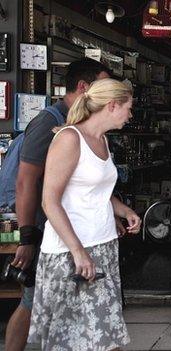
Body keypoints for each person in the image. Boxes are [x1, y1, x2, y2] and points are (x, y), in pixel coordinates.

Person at [27, 78, 141, 350]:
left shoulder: (101, 140)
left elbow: (96, 190)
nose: (131, 114)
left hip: (102, 246)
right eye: (129, 108)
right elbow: (50, 201)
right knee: (67, 339)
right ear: (112, 106)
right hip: (70, 252)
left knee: (105, 336)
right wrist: (77, 251)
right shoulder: (69, 139)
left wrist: (124, 210)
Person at [4, 58, 110, 351]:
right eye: (104, 88)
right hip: (44, 228)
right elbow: (25, 182)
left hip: (62, 227)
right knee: (31, 301)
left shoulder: (79, 124)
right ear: (84, 87)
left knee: (39, 302)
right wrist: (27, 236)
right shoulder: (49, 122)